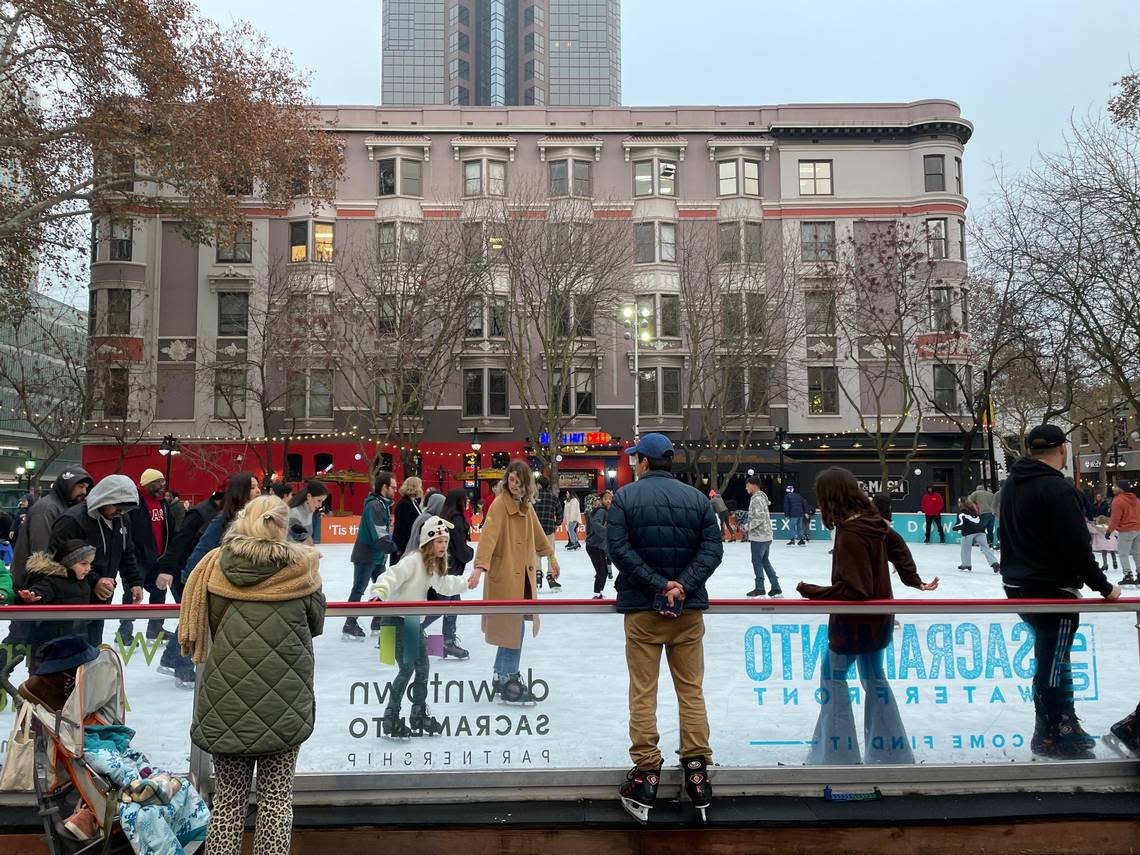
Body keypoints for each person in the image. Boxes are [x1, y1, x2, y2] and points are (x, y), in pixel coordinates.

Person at [180, 494, 324, 855]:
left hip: (226, 699)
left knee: (228, 802)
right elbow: (316, 623)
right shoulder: (301, 571)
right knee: (276, 800)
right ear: (281, 527)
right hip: (284, 702)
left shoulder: (214, 567)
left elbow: (212, 623)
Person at [608, 433, 722, 824]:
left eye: (635, 457)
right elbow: (713, 548)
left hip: (642, 609)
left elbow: (618, 549)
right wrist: (682, 585)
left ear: (644, 462)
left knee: (644, 691)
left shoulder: (624, 497)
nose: (633, 462)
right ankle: (697, 772)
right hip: (687, 612)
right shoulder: (696, 499)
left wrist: (658, 585)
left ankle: (646, 774)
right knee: (691, 691)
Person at [797, 467, 939, 766]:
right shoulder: (874, 522)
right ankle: (891, 752)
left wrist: (812, 591)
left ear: (831, 498)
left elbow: (855, 591)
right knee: (875, 679)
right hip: (879, 617)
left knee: (832, 677)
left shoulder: (850, 533)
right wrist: (913, 580)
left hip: (853, 623)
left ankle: (838, 753)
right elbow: (899, 549)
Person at [999, 424, 1121, 759]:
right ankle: (1053, 731)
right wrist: (1104, 586)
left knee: (1052, 656)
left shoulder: (1012, 485)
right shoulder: (1058, 489)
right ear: (1063, 449)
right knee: (1053, 659)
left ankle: (1062, 723)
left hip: (1019, 584)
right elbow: (1076, 548)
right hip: (1051, 587)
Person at [372, 515, 473, 736]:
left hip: (411, 620)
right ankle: (391, 715)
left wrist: (467, 583)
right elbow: (391, 575)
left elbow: (444, 584)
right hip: (395, 619)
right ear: (428, 542)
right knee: (407, 668)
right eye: (439, 541)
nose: (443, 546)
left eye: (445, 542)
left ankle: (418, 712)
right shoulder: (413, 560)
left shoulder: (432, 565)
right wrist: (379, 592)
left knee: (423, 667)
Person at [471, 460, 559, 702]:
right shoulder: (499, 505)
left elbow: (540, 535)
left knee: (514, 626)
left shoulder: (526, 506)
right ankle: (508, 677)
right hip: (505, 576)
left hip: (523, 578)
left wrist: (552, 558)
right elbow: (488, 538)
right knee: (514, 627)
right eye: (511, 480)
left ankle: (502, 674)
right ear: (507, 479)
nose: (515, 486)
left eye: (519, 483)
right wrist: (479, 569)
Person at [1, 466, 92, 677]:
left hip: (46, 585)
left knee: (28, 641)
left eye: (86, 487)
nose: (84, 492)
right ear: (67, 484)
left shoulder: (65, 507)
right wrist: (64, 575)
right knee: (19, 640)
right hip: (34, 585)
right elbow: (42, 553)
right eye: (80, 486)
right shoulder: (47, 508)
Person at [49, 474, 144, 646]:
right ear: (103, 499)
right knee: (70, 650)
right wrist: (95, 581)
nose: (120, 512)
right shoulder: (73, 521)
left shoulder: (122, 520)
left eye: (125, 509)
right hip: (72, 600)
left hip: (100, 599)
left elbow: (126, 552)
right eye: (117, 507)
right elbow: (59, 560)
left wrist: (134, 581)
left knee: (92, 648)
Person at [155, 489, 225, 686]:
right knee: (193, 617)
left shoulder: (225, 514)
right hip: (186, 572)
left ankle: (171, 659)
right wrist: (169, 570)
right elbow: (179, 541)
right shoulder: (201, 513)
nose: (256, 492)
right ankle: (182, 666)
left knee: (193, 616)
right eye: (252, 488)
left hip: (198, 573)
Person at [16, 539, 98, 672]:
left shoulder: (82, 580)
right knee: (43, 684)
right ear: (68, 563)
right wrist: (31, 597)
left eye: (90, 564)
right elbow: (41, 590)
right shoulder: (51, 579)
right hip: (48, 647)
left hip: (76, 643)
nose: (88, 568)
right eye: (83, 563)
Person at [121, 468, 174, 644]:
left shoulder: (164, 504)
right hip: (139, 558)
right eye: (158, 482)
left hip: (159, 558)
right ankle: (124, 632)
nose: (162, 486)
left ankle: (155, 629)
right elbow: (128, 531)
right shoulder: (134, 502)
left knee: (159, 593)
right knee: (132, 594)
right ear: (147, 484)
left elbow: (170, 528)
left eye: (163, 482)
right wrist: (133, 554)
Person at [183, 473, 261, 587]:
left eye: (258, 486)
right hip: (227, 581)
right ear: (240, 492)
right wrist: (189, 578)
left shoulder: (261, 517)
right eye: (252, 487)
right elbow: (203, 549)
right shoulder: (223, 519)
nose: (258, 491)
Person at [344, 471, 396, 640]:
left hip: (377, 556)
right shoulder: (374, 506)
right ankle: (350, 624)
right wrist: (396, 548)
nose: (395, 490)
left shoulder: (382, 505)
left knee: (381, 588)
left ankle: (377, 620)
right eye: (393, 487)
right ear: (384, 487)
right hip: (366, 555)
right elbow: (379, 536)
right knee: (359, 588)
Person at [421, 487, 473, 659]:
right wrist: (470, 553)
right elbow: (459, 549)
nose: (467, 503)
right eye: (465, 500)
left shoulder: (445, 518)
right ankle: (410, 631)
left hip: (447, 569)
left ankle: (447, 642)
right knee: (440, 607)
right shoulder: (456, 520)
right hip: (448, 571)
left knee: (452, 606)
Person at [745, 476, 781, 598]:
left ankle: (760, 588)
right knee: (764, 561)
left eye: (747, 485)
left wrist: (748, 526)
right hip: (765, 535)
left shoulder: (756, 499)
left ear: (753, 485)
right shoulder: (761, 498)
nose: (746, 488)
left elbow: (759, 518)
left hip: (759, 537)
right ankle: (775, 587)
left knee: (757, 562)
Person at [1105, 478, 1140, 586]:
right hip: (1138, 529)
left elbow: (1115, 518)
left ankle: (1128, 575)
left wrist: (1109, 531)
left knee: (1123, 554)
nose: (1113, 488)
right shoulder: (1137, 500)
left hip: (1126, 530)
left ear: (1121, 488)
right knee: (1137, 553)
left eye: (1115, 486)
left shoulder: (1118, 500)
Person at [952, 497, 1000, 573]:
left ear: (961, 503)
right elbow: (979, 520)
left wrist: (955, 527)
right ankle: (995, 563)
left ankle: (966, 564)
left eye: (959, 502)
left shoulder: (962, 512)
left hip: (968, 532)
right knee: (985, 548)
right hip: (981, 531)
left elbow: (961, 523)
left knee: (965, 549)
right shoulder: (974, 510)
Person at [532, 476, 563, 592]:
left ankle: (537, 574)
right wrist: (556, 523)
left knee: (536, 553)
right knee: (550, 553)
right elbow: (560, 513)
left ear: (539, 485)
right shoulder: (553, 497)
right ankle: (551, 576)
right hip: (549, 529)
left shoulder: (533, 498)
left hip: (535, 530)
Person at [585, 489, 613, 599]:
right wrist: (607, 533)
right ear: (601, 500)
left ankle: (599, 593)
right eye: (606, 499)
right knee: (601, 572)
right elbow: (595, 524)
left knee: (604, 571)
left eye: (610, 499)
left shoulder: (607, 511)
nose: (609, 501)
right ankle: (596, 594)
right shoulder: (601, 511)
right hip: (593, 546)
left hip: (599, 546)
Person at [287, 479, 329, 544]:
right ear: (309, 496)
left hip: (304, 552)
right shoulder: (295, 513)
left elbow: (308, 540)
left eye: (322, 502)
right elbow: (295, 543)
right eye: (319, 500)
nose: (320, 505)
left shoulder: (310, 512)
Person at [392, 477, 424, 555]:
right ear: (415, 487)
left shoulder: (413, 502)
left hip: (409, 545)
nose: (421, 488)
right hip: (403, 547)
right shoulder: (405, 504)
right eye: (420, 486)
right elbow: (403, 527)